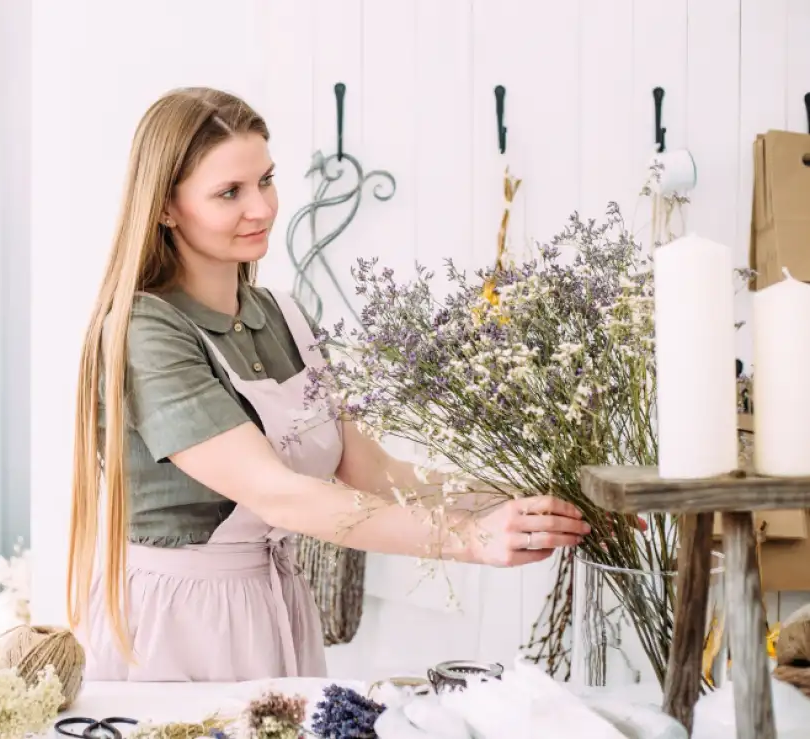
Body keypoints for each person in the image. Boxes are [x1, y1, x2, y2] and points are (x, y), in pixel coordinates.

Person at [67, 87, 591, 682]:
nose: (262, 208)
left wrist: (535, 499)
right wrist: (470, 539)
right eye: (229, 193)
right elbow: (279, 494)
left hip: (275, 608)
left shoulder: (285, 314)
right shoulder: (144, 331)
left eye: (265, 180)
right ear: (165, 207)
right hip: (179, 623)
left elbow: (377, 473)